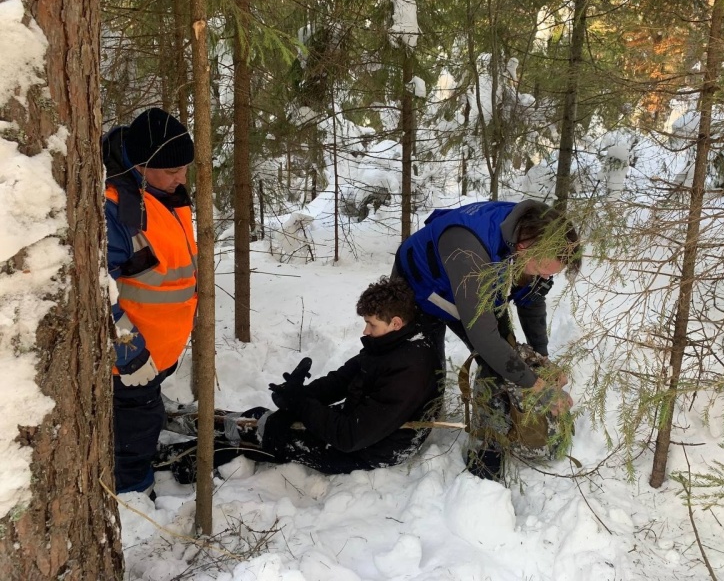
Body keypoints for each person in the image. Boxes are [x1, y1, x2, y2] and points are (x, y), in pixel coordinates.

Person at [158, 277, 441, 481]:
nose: (365, 331)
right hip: (358, 425)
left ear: (395, 323)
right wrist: (298, 395)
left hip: (372, 448)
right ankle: (191, 419)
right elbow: (342, 379)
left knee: (270, 435)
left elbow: (350, 437)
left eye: (371, 324)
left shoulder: (410, 369)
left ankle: (173, 454)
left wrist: (302, 406)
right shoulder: (391, 345)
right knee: (267, 419)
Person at [392, 199, 581, 480]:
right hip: (418, 291)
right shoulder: (468, 246)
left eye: (549, 275)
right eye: (541, 270)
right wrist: (536, 386)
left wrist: (541, 360)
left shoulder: (528, 232)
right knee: (423, 381)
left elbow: (530, 300)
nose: (543, 277)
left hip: (474, 291)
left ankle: (486, 453)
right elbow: (484, 338)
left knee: (499, 362)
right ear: (524, 246)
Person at [102, 107, 197, 495]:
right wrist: (129, 353)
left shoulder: (163, 193)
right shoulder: (118, 209)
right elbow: (97, 291)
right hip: (131, 359)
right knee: (133, 431)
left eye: (185, 168)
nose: (180, 179)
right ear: (141, 166)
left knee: (140, 419)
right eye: (171, 171)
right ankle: (132, 497)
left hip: (158, 354)